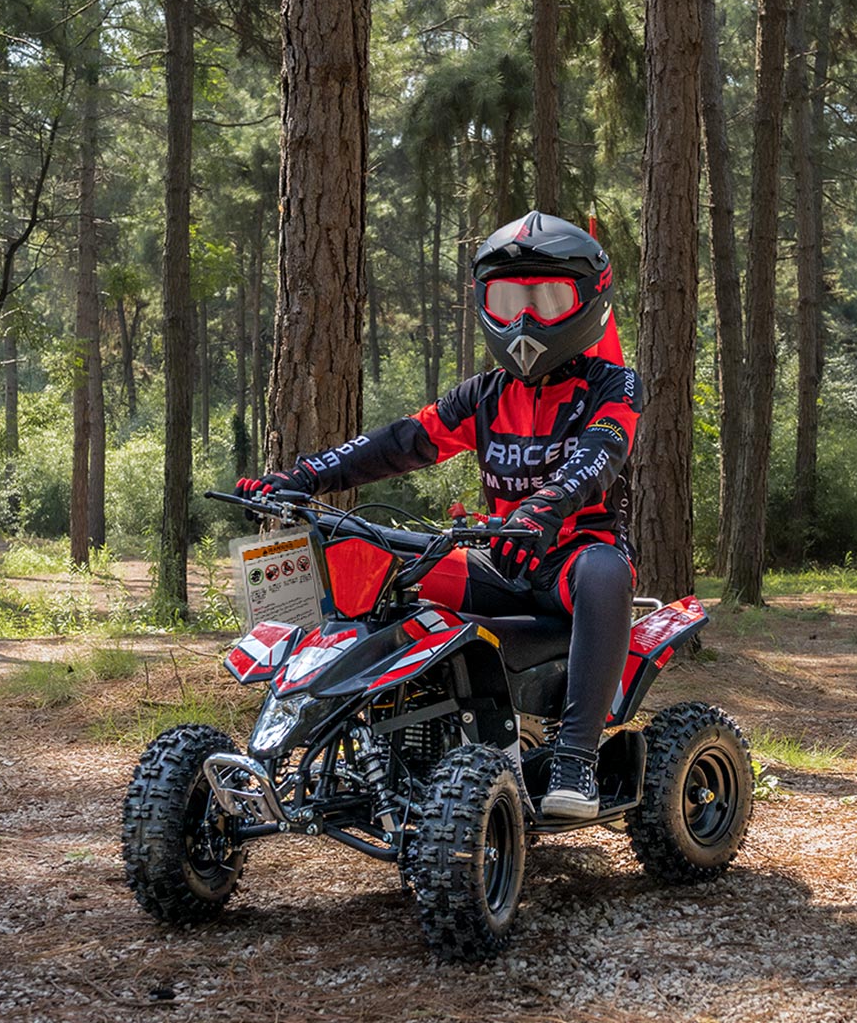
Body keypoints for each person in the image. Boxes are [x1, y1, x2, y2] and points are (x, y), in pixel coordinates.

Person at [237, 210, 645, 820]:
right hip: (500, 562)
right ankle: (364, 740)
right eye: (508, 300)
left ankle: (575, 757)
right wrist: (302, 478)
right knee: (377, 554)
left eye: (547, 298)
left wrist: (544, 509)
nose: (525, 319)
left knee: (608, 572)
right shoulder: (483, 394)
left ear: (587, 301)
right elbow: (398, 442)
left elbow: (599, 455)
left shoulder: (613, 385)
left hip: (570, 563)